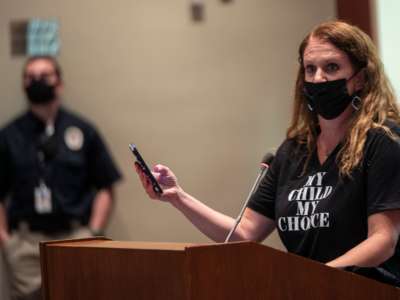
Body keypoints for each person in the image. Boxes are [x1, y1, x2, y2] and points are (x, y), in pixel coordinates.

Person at [135, 20, 400, 286]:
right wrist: (178, 197)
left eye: (331, 67)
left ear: (361, 78)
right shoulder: (293, 152)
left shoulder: (383, 142)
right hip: (310, 291)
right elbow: (246, 232)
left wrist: (314, 277)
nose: (319, 78)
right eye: (310, 69)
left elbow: (383, 240)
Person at [0, 56, 122, 300]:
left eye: (45, 75)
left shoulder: (83, 130)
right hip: (26, 246)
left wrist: (94, 232)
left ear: (60, 83)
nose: (37, 81)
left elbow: (105, 186)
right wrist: (7, 242)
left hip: (76, 241)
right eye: (30, 76)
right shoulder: (8, 135)